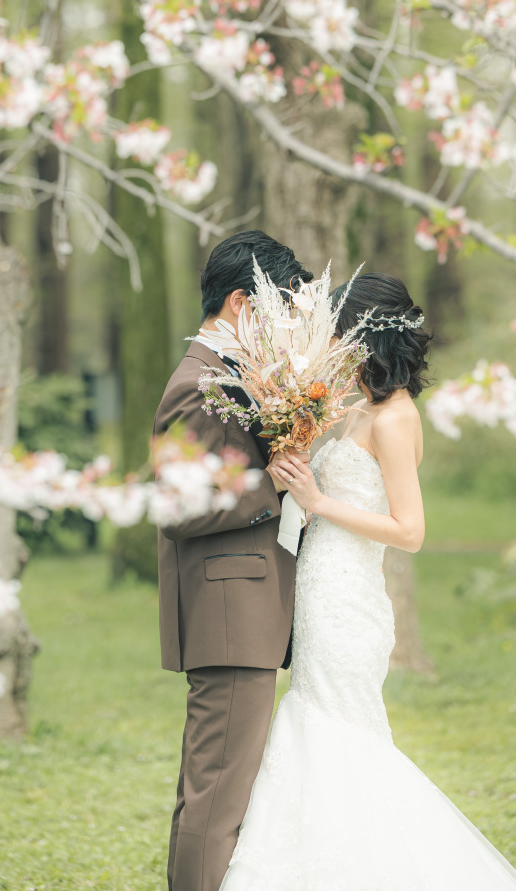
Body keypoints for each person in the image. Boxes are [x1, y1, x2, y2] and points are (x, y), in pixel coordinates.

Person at [220, 272, 516, 891]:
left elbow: (410, 529)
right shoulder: (362, 407)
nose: (331, 343)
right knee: (318, 722)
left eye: (338, 333)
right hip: (319, 585)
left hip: (347, 598)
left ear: (365, 337)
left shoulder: (394, 419)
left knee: (339, 728)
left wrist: (319, 499)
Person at [154, 230, 313, 891]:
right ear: (244, 301)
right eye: (277, 311)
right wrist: (270, 483)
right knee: (218, 796)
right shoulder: (198, 382)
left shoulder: (234, 376)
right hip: (229, 609)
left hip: (243, 608)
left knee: (222, 794)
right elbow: (176, 505)